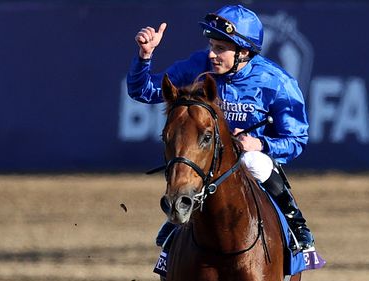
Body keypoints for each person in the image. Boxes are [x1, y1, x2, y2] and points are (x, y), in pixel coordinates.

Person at [128, 4, 315, 251]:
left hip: (250, 162)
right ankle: (177, 219)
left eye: (221, 48)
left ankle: (296, 223)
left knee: (253, 161)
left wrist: (259, 144)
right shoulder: (198, 65)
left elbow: (296, 139)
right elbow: (144, 91)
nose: (212, 54)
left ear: (245, 51)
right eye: (212, 46)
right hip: (206, 160)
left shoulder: (277, 82)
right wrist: (145, 57)